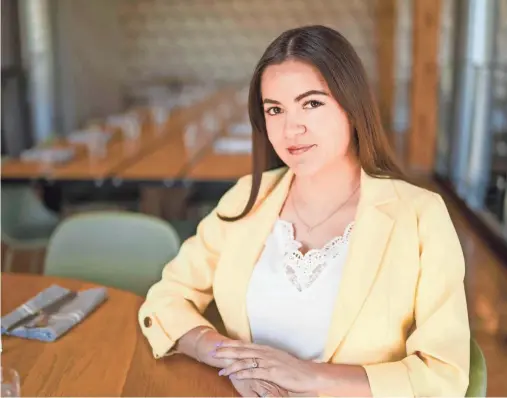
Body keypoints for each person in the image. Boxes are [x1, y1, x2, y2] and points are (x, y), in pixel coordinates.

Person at [139, 25, 470, 397]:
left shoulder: (420, 215)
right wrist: (227, 358)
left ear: (352, 105)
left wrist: (308, 376)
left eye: (311, 103)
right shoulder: (247, 198)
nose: (291, 128)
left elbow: (444, 376)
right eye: (275, 110)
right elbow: (166, 297)